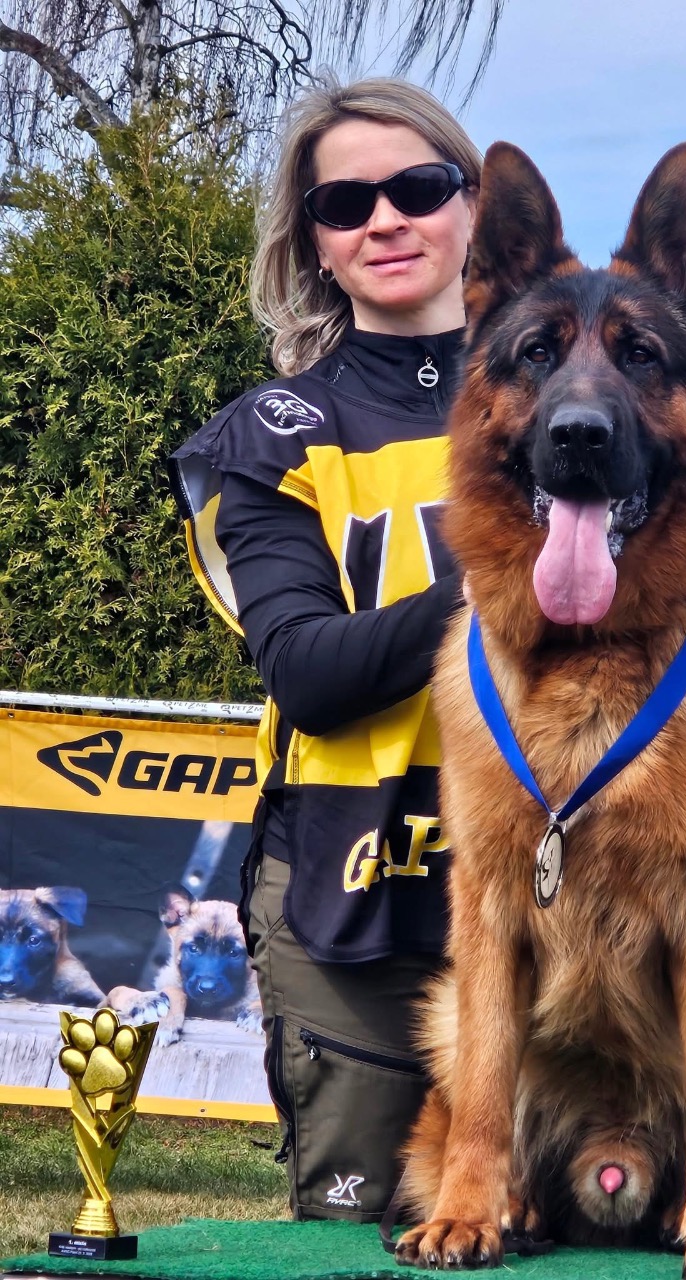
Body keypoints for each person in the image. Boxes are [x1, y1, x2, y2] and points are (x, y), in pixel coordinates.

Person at [168, 76, 481, 1223]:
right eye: (346, 203)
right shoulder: (270, 436)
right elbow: (307, 670)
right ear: (316, 243)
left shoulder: (586, 406)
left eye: (418, 187)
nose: (385, 220)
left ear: (476, 205)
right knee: (364, 1239)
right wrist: (501, 580)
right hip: (354, 901)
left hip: (570, 897)